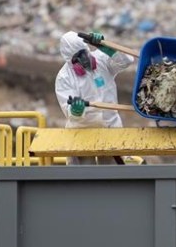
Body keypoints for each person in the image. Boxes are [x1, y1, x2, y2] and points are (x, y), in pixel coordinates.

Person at [55, 30, 134, 164]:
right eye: (77, 56)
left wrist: (108, 48)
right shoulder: (64, 77)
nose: (84, 58)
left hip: (111, 129)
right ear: (70, 60)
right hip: (82, 133)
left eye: (84, 52)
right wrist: (76, 110)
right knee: (85, 178)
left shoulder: (102, 60)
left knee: (114, 177)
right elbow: (68, 110)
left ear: (87, 49)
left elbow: (126, 61)